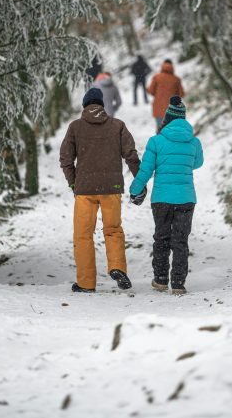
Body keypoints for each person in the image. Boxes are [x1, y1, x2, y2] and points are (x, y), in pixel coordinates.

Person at [60, 87, 140, 293]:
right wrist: (139, 181)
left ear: (85, 106)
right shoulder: (117, 126)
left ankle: (86, 283)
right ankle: (117, 267)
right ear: (102, 105)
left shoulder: (75, 127)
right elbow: (131, 154)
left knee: (83, 235)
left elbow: (66, 159)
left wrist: (73, 182)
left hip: (85, 190)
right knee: (113, 230)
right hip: (111, 189)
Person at [129, 96, 203, 295]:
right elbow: (197, 163)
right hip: (186, 198)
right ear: (183, 118)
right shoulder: (194, 141)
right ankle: (178, 283)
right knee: (180, 240)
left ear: (166, 118)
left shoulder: (156, 141)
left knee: (161, 238)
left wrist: (135, 190)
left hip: (161, 198)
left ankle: (161, 280)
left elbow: (146, 171)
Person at [147, 59, 185, 131]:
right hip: (172, 110)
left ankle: (159, 141)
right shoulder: (176, 79)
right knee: (171, 131)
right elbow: (181, 94)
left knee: (160, 130)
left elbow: (151, 91)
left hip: (158, 108)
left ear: (162, 66)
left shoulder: (157, 77)